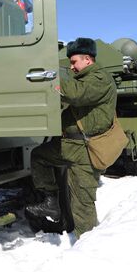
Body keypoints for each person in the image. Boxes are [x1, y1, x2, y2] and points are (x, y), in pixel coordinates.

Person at [25, 37, 117, 238]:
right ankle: (51, 203)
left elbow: (77, 94)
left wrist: (50, 78)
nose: (72, 67)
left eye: (74, 62)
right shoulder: (83, 78)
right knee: (40, 156)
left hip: (85, 149)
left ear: (87, 59)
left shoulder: (100, 79)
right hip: (69, 145)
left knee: (82, 202)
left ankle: (87, 244)